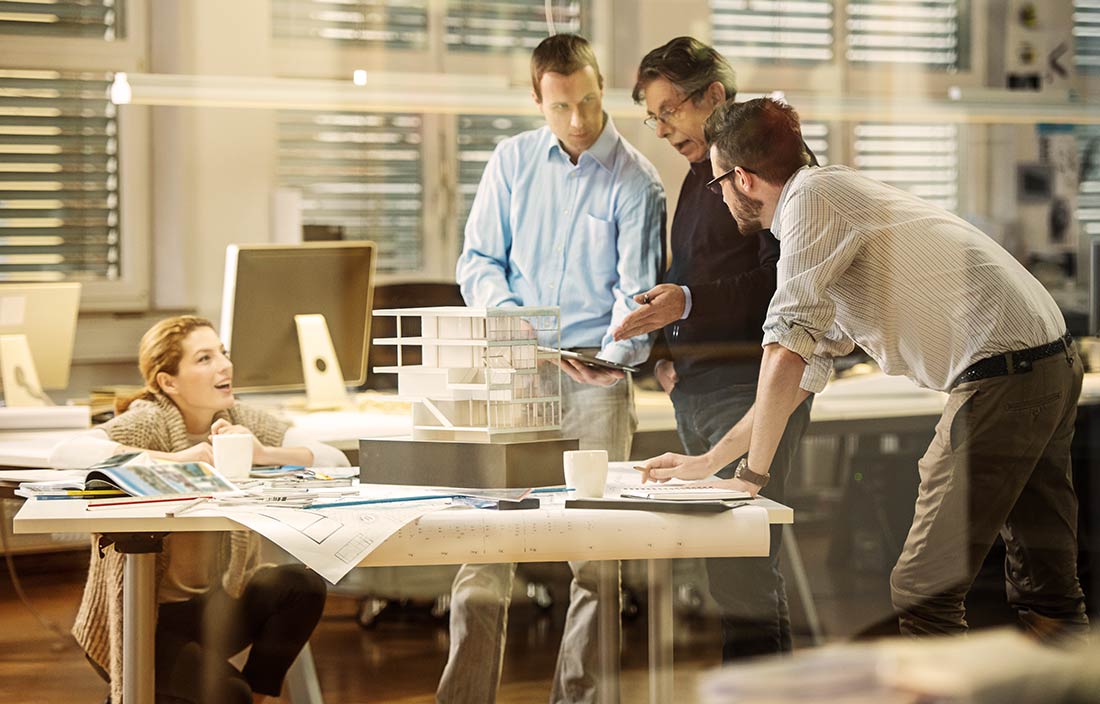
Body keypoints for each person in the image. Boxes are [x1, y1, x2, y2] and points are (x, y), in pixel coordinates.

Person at [640, 97, 1090, 642]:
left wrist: (751, 478)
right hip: (1047, 361)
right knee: (1048, 591)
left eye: (717, 185)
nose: (720, 199)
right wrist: (713, 459)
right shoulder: (829, 200)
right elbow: (802, 372)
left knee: (924, 588)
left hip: (1005, 372)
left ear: (743, 178)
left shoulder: (811, 200)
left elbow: (784, 347)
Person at [446, 33, 664, 703]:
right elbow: (478, 261)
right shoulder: (511, 162)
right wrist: (518, 325)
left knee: (597, 557)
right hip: (512, 372)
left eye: (590, 102)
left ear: (602, 88)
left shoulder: (637, 179)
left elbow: (638, 294)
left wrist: (614, 357)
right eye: (563, 105)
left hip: (595, 383)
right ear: (537, 99)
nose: (579, 120)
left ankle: (583, 699)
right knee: (483, 544)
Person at [614, 37, 813, 661]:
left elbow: (782, 284)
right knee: (727, 576)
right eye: (654, 116)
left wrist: (689, 303)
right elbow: (694, 272)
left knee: (744, 576)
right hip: (701, 388)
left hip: (751, 390)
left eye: (670, 109)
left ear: (714, 95)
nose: (662, 128)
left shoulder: (765, 164)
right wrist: (667, 357)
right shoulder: (701, 174)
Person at [52, 315, 349, 704]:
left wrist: (264, 453)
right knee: (228, 694)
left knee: (302, 586)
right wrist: (172, 460)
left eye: (222, 353)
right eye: (204, 358)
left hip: (212, 607)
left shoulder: (239, 418)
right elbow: (67, 454)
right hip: (138, 620)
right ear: (168, 382)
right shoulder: (151, 419)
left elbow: (336, 460)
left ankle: (257, 698)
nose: (224, 365)